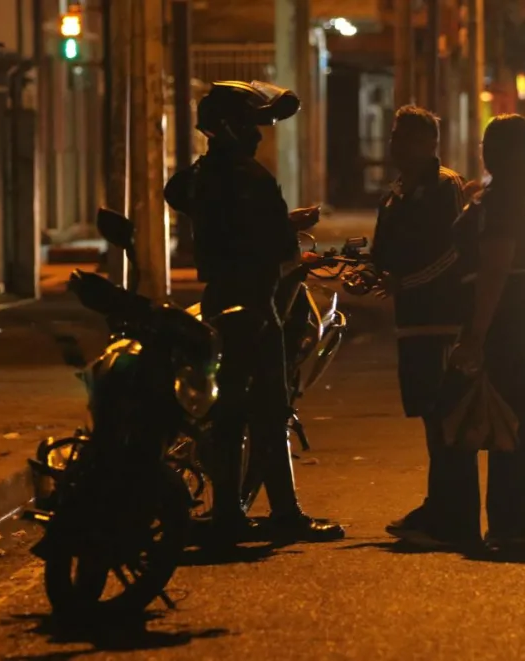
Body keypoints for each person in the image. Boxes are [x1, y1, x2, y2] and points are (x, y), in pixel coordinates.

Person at [163, 80, 344, 543]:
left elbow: (183, 196)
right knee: (268, 408)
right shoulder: (251, 177)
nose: (258, 135)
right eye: (250, 125)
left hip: (221, 298)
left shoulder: (204, 175)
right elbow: (281, 249)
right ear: (229, 128)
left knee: (231, 409)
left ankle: (236, 512)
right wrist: (292, 236)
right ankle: (271, 514)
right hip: (258, 304)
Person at [444, 114, 525, 549]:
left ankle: (502, 524)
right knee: (518, 412)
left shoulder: (501, 201)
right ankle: (511, 523)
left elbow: (495, 268)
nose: (482, 150)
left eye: (486, 144)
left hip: (512, 307)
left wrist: (475, 333)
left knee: (504, 415)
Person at [369, 106, 472, 544]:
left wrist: (405, 282)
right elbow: (384, 252)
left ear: (430, 144)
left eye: (406, 137)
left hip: (441, 320)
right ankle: (439, 507)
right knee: (429, 420)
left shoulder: (444, 187)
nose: (396, 145)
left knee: (446, 420)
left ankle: (453, 516)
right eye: (395, 136)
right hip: (410, 323)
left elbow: (451, 253)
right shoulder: (395, 192)